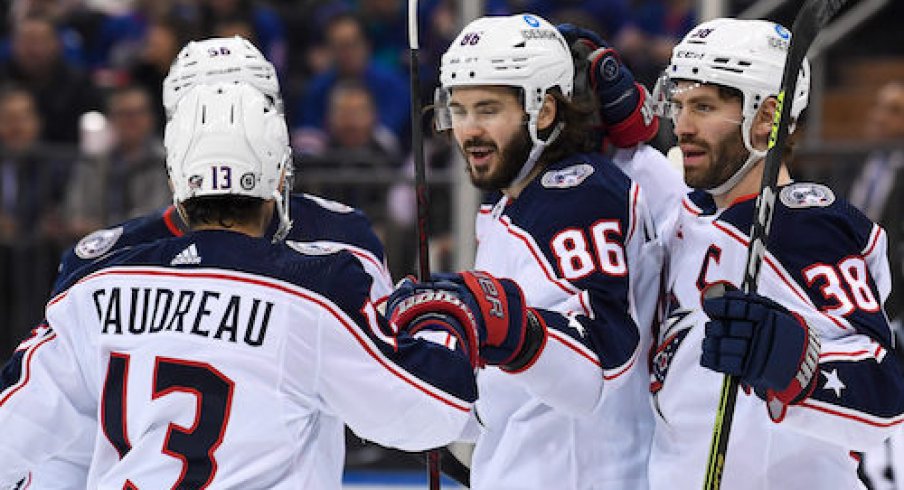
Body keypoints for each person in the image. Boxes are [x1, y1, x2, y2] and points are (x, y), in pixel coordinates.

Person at [0, 81, 482, 488]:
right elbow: (425, 411)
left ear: (176, 180)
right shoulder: (314, 289)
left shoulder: (97, 286)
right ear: (278, 177)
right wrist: (438, 321)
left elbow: (14, 423)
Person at [393, 13, 666, 489]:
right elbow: (506, 398)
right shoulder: (516, 202)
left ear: (544, 111)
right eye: (458, 110)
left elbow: (597, 371)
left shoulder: (576, 196)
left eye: (488, 109)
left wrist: (510, 327)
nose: (469, 130)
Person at [648, 18, 904, 489]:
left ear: (766, 117)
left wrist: (797, 367)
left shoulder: (806, 228)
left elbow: (886, 396)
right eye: (679, 104)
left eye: (703, 106)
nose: (681, 125)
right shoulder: (682, 215)